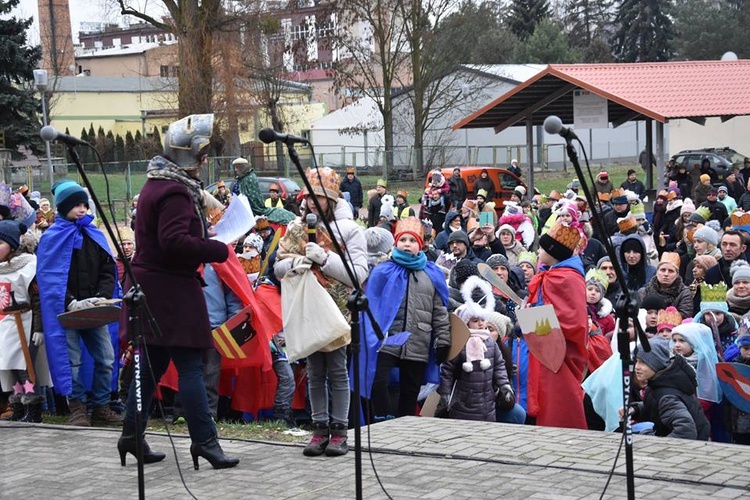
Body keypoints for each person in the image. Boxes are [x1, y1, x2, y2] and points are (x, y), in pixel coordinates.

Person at [118, 114, 238, 469]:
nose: (204, 162)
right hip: (169, 289)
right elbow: (173, 242)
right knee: (190, 367)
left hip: (154, 286)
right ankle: (205, 442)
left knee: (152, 366)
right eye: (202, 156)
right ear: (191, 157)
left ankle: (130, 436)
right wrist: (218, 248)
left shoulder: (158, 183)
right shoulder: (173, 191)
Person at [275, 166, 368, 457]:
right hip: (307, 308)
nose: (313, 203)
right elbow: (278, 267)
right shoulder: (295, 228)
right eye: (309, 197)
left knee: (338, 371)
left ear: (332, 199)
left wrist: (325, 258)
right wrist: (294, 264)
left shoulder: (350, 230)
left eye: (320, 198)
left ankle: (339, 430)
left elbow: (359, 274)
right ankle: (318, 429)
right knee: (314, 372)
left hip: (337, 311)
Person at [36, 180, 121, 428]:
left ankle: (102, 406)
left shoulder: (93, 234)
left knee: (105, 358)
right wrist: (71, 302)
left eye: (84, 204)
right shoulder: (51, 238)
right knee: (71, 362)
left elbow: (108, 269)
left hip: (95, 309)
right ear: (63, 207)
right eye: (76, 205)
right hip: (68, 312)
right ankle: (78, 407)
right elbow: (49, 277)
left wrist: (102, 296)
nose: (82, 209)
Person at [368, 217, 450, 420]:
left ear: (420, 245)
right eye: (403, 239)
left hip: (418, 340)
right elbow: (372, 304)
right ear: (396, 243)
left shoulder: (431, 274)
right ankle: (382, 418)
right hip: (388, 339)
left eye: (412, 240)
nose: (407, 244)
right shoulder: (383, 270)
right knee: (378, 381)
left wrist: (443, 340)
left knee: (410, 391)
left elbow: (440, 311)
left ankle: (404, 429)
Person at [525, 218, 588, 429]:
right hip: (547, 347)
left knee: (559, 397)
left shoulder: (565, 278)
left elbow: (570, 321)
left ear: (553, 252)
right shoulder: (554, 275)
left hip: (561, 352)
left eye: (541, 248)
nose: (537, 253)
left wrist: (530, 321)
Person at [0, 222, 49, 423]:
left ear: (12, 244)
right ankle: (18, 406)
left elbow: (38, 300)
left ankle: (33, 409)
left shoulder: (28, 267)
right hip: (5, 325)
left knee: (25, 368)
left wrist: (39, 329)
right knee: (9, 368)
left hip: (24, 323)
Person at [438, 301, 511, 422]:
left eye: (482, 320)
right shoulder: (460, 342)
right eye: (475, 321)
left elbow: (499, 366)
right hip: (464, 400)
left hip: (487, 401)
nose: (481, 324)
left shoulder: (490, 342)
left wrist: (504, 385)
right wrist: (445, 392)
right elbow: (447, 370)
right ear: (466, 323)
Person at [625, 338, 710, 440]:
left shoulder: (667, 396)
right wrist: (636, 410)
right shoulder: (659, 383)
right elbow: (657, 406)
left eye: (643, 362)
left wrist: (661, 448)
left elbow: (686, 430)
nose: (637, 367)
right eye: (636, 361)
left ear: (658, 363)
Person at [638, 252, 693, 319]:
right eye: (663, 270)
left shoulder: (684, 293)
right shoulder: (644, 292)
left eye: (671, 271)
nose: (666, 274)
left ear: (677, 275)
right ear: (657, 272)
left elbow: (684, 315)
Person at [727, 326, 750, 444]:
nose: (749, 352)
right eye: (746, 348)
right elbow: (730, 393)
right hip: (739, 418)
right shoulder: (733, 367)